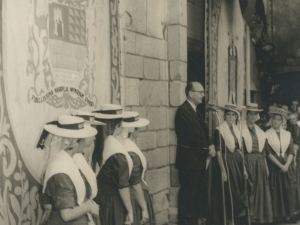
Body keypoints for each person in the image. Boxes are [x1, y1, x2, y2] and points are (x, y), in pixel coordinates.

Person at [40, 115, 100, 225]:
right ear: (75, 142)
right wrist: (89, 207)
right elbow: (66, 215)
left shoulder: (69, 161)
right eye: (83, 139)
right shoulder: (61, 169)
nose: (85, 142)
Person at [174, 82, 216, 225]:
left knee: (196, 197)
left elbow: (204, 132)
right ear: (191, 93)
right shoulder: (183, 111)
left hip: (196, 162)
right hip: (189, 163)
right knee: (188, 198)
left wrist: (210, 144)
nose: (203, 95)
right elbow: (192, 136)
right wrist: (207, 149)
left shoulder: (195, 110)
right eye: (200, 92)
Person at [93, 104, 134, 225]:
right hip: (113, 202)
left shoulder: (101, 143)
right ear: (117, 125)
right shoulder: (116, 150)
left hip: (100, 198)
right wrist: (130, 210)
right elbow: (122, 185)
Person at [213, 104, 248, 224]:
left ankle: (236, 217)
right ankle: (229, 219)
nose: (231, 117)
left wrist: (244, 168)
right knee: (229, 190)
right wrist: (223, 170)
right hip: (226, 161)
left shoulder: (237, 129)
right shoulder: (219, 130)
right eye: (229, 114)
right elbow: (218, 152)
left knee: (239, 188)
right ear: (224, 115)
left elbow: (240, 150)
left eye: (233, 115)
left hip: (237, 161)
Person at [121, 111, 156, 225]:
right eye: (138, 128)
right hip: (136, 196)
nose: (139, 131)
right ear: (133, 130)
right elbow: (134, 181)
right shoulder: (130, 149)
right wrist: (144, 208)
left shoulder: (125, 145)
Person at [241, 103, 273, 223]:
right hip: (248, 161)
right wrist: (243, 166)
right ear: (247, 115)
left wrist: (265, 165)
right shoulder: (241, 130)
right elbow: (241, 151)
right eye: (251, 114)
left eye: (255, 114)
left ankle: (258, 218)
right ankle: (249, 217)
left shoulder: (260, 132)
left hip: (260, 162)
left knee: (260, 189)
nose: (253, 116)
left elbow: (264, 151)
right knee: (250, 189)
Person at [265, 107, 296, 222]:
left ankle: (289, 214)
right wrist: (280, 166)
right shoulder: (266, 134)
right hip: (275, 165)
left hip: (287, 165)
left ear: (282, 121)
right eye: (274, 119)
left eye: (279, 119)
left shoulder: (287, 134)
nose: (276, 121)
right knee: (276, 190)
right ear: (271, 120)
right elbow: (268, 152)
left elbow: (291, 151)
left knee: (288, 188)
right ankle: (278, 216)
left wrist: (287, 164)